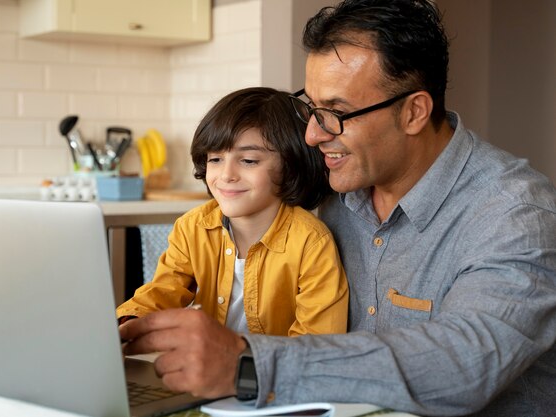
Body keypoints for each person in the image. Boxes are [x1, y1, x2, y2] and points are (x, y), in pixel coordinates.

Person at [119, 1, 556, 415]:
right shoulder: (325, 195)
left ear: (414, 112)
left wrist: (249, 362)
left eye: (336, 112)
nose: (312, 135)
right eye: (312, 107)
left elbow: (464, 363)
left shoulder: (516, 215)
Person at [117, 87, 348, 337]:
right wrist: (126, 324)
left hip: (278, 374)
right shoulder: (192, 228)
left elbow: (316, 341)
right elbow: (162, 293)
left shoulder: (311, 243)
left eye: (248, 161)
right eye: (215, 159)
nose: (226, 175)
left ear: (290, 166)